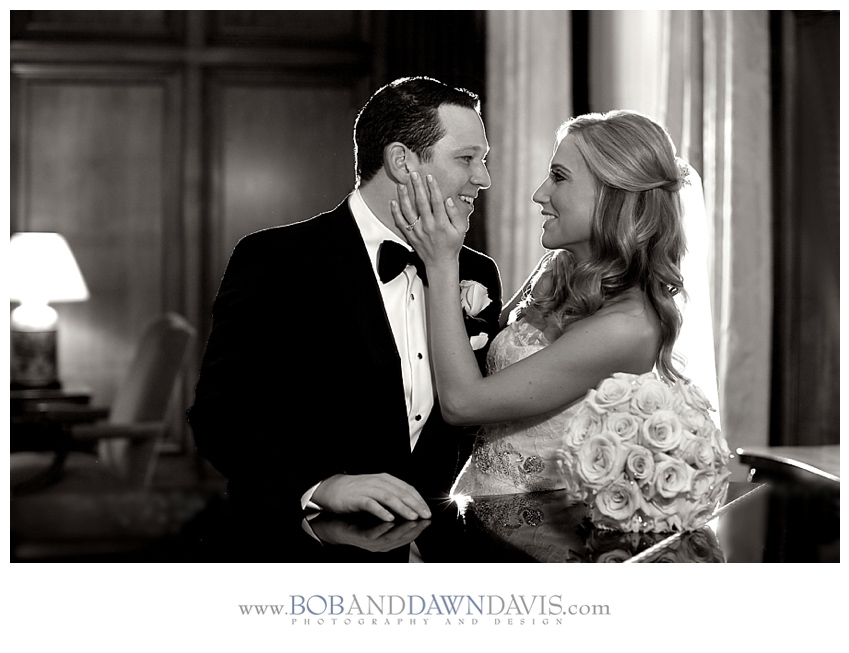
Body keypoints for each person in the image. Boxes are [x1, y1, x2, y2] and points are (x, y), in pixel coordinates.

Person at [188, 77, 502, 523]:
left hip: (434, 539)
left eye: (483, 160)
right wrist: (321, 486)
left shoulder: (476, 272)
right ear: (402, 162)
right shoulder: (276, 260)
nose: (483, 178)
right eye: (467, 158)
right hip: (304, 538)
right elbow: (220, 415)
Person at [391, 109, 709, 497]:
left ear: (612, 192)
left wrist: (442, 263)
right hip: (473, 497)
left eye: (559, 177)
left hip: (537, 521)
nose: (539, 193)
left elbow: (463, 404)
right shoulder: (558, 269)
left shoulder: (629, 325)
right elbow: (476, 357)